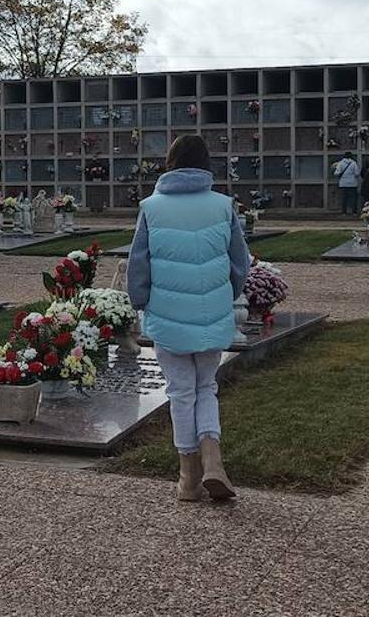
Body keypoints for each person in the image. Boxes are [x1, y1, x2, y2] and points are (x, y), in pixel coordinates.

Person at [127, 135, 250, 502]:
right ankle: (213, 460)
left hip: (167, 316)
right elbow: (240, 262)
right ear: (205, 163)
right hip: (210, 313)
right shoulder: (223, 205)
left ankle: (188, 478)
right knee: (206, 387)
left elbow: (138, 265)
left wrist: (140, 303)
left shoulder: (151, 207)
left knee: (181, 392)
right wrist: (222, 294)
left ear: (170, 162)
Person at [333, 151, 362, 215]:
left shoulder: (340, 163)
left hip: (343, 183)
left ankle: (344, 212)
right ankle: (354, 211)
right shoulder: (354, 163)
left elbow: (336, 173)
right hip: (353, 183)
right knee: (353, 198)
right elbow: (357, 173)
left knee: (344, 198)